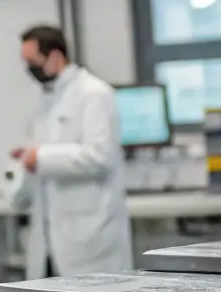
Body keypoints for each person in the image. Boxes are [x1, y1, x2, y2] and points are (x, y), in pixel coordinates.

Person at [9, 24, 132, 278]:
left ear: (55, 56)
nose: (29, 69)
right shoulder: (46, 100)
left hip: (90, 234)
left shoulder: (94, 93)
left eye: (33, 61)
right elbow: (45, 154)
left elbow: (100, 157)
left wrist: (41, 158)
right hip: (51, 236)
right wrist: (28, 159)